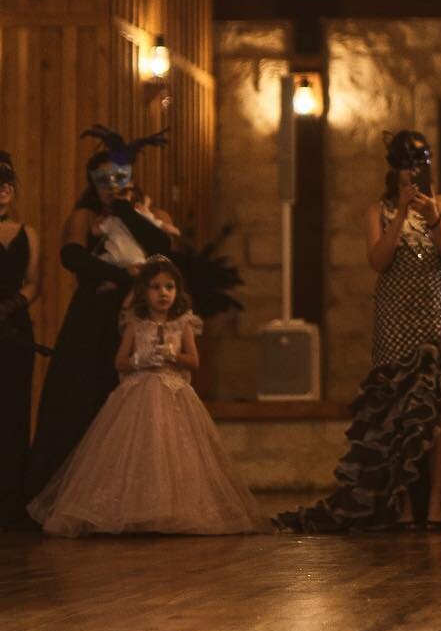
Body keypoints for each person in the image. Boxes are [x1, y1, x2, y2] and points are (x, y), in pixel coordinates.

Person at [278, 130, 441, 531]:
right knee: (398, 409)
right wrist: (402, 215)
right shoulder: (379, 210)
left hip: (435, 313)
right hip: (395, 318)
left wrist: (432, 219)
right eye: (406, 165)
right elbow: (378, 260)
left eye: (419, 164)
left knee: (437, 408)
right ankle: (402, 504)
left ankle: (438, 502)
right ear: (393, 169)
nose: (412, 171)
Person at [29, 256, 266, 535]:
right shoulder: (135, 324)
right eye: (155, 287)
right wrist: (140, 359)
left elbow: (194, 360)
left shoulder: (183, 323)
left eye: (169, 287)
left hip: (174, 394)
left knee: (173, 451)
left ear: (178, 291)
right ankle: (135, 510)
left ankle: (172, 510)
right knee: (138, 450)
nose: (163, 293)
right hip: (138, 394)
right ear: (144, 291)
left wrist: (173, 355)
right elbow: (120, 362)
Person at [28, 126, 173, 491]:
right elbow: (72, 254)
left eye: (119, 178)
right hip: (94, 319)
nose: (111, 185)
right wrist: (123, 275)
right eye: (103, 180)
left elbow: (162, 246)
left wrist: (127, 211)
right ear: (92, 183)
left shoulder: (147, 213)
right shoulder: (85, 217)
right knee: (82, 396)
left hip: (138, 318)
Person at [0, 153, 42, 529]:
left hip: (15, 330)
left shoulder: (27, 233)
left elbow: (33, 282)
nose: (2, 192)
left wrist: (10, 306)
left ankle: (12, 502)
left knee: (14, 410)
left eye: (6, 185)